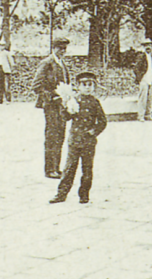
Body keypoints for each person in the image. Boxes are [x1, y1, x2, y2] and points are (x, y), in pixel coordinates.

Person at [50, 71, 108, 204]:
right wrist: (65, 107)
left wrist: (93, 132)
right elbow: (66, 118)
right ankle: (61, 194)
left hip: (88, 141)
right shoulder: (73, 100)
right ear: (78, 86)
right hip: (75, 140)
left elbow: (103, 121)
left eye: (90, 85)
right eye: (84, 84)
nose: (87, 87)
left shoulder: (95, 102)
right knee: (69, 168)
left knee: (87, 169)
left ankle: (84, 194)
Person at [32, 35, 70, 178]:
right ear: (53, 48)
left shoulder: (62, 64)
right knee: (52, 136)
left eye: (64, 49)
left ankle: (56, 167)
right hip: (51, 105)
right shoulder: (47, 63)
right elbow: (36, 86)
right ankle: (49, 169)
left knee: (60, 135)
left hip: (62, 105)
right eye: (60, 48)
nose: (62, 51)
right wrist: (51, 96)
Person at [134, 39, 152, 121]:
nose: (148, 47)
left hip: (151, 79)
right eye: (146, 45)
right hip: (144, 79)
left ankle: (148, 114)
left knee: (150, 98)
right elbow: (136, 68)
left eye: (149, 45)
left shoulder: (151, 57)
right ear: (143, 47)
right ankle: (141, 116)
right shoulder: (141, 56)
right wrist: (140, 77)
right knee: (143, 98)